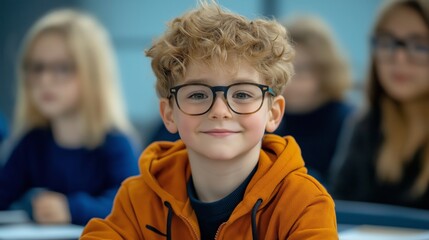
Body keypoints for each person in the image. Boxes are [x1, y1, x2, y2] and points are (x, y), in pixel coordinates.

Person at [81, 2, 337, 239]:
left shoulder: (305, 203)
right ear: (169, 114)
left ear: (273, 113)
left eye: (242, 94)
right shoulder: (139, 198)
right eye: (198, 94)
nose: (220, 110)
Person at [0, 9, 139, 225]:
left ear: (94, 75)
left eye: (63, 68)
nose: (45, 80)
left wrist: (73, 209)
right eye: (37, 68)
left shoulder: (115, 143)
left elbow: (134, 206)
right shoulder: (32, 143)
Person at [331, 0, 429, 210]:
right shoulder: (365, 126)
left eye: (419, 44)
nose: (399, 58)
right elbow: (339, 210)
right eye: (387, 42)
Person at [275, 16, 354, 184]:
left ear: (325, 70)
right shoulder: (269, 118)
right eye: (281, 68)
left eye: (299, 70)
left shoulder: (350, 123)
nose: (288, 80)